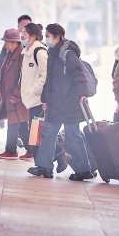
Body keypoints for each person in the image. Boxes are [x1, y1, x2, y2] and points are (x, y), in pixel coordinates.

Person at [27, 23, 96, 181]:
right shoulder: (52, 53)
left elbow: (79, 75)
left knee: (73, 136)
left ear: (57, 36)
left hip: (70, 103)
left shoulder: (68, 54)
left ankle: (83, 170)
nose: (47, 39)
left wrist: (82, 93)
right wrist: (45, 99)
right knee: (49, 133)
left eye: (48, 36)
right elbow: (49, 79)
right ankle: (45, 167)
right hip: (56, 103)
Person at [0, 29, 31, 160]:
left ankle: (13, 150)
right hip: (10, 95)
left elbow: (24, 77)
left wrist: (16, 94)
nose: (5, 44)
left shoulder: (22, 55)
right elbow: (4, 72)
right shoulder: (10, 54)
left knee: (17, 123)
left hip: (17, 97)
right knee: (17, 123)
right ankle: (20, 150)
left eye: (6, 42)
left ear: (14, 42)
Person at [20, 22, 48, 159]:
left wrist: (35, 90)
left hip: (38, 100)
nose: (21, 36)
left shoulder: (40, 51)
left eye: (24, 33)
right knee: (34, 133)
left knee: (37, 133)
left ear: (33, 36)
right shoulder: (27, 52)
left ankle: (43, 163)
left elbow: (46, 75)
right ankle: (39, 164)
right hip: (31, 100)